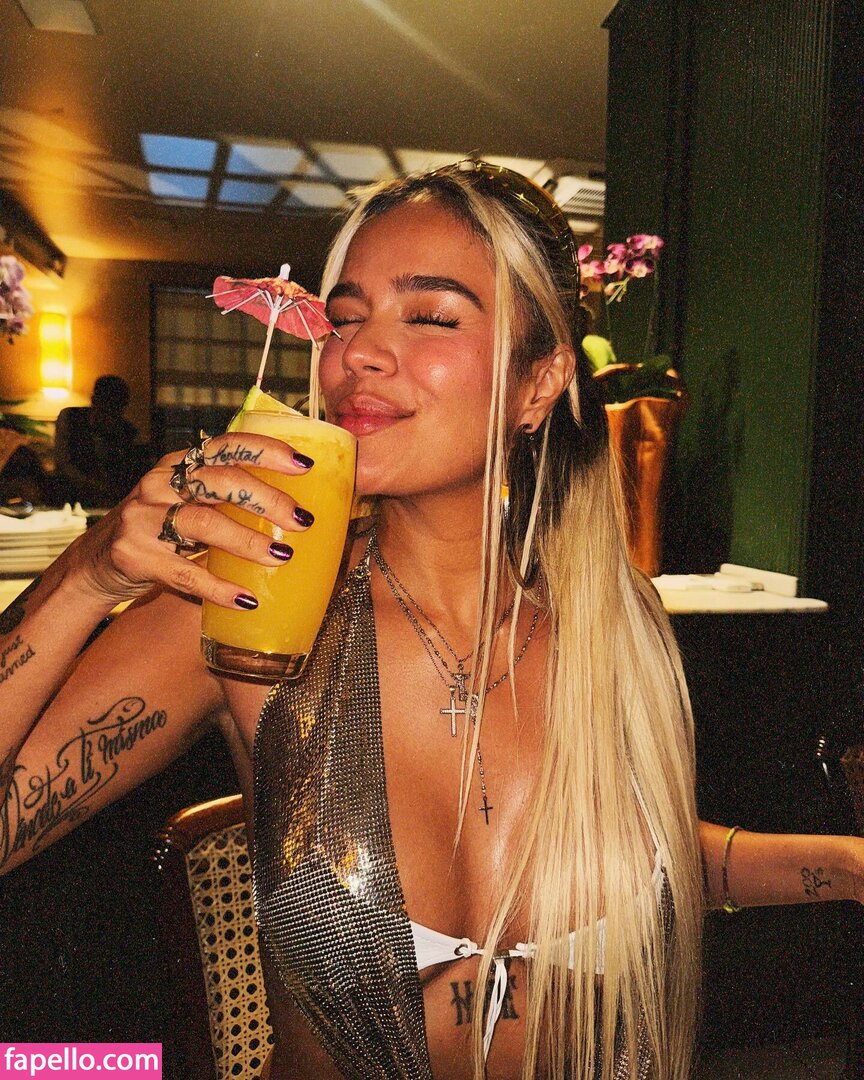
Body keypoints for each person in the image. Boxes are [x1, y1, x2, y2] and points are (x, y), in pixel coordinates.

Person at [0, 161, 861, 1080]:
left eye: (431, 316)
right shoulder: (247, 605)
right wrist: (86, 577)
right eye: (344, 318)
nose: (359, 353)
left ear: (539, 384)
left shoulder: (618, 624)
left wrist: (847, 864)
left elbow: (644, 853)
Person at [53, 374, 142, 506]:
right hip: (71, 494)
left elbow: (127, 475)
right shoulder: (71, 418)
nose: (109, 416)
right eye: (106, 407)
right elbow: (63, 462)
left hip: (111, 500)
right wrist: (95, 485)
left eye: (115, 410)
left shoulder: (127, 432)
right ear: (94, 401)